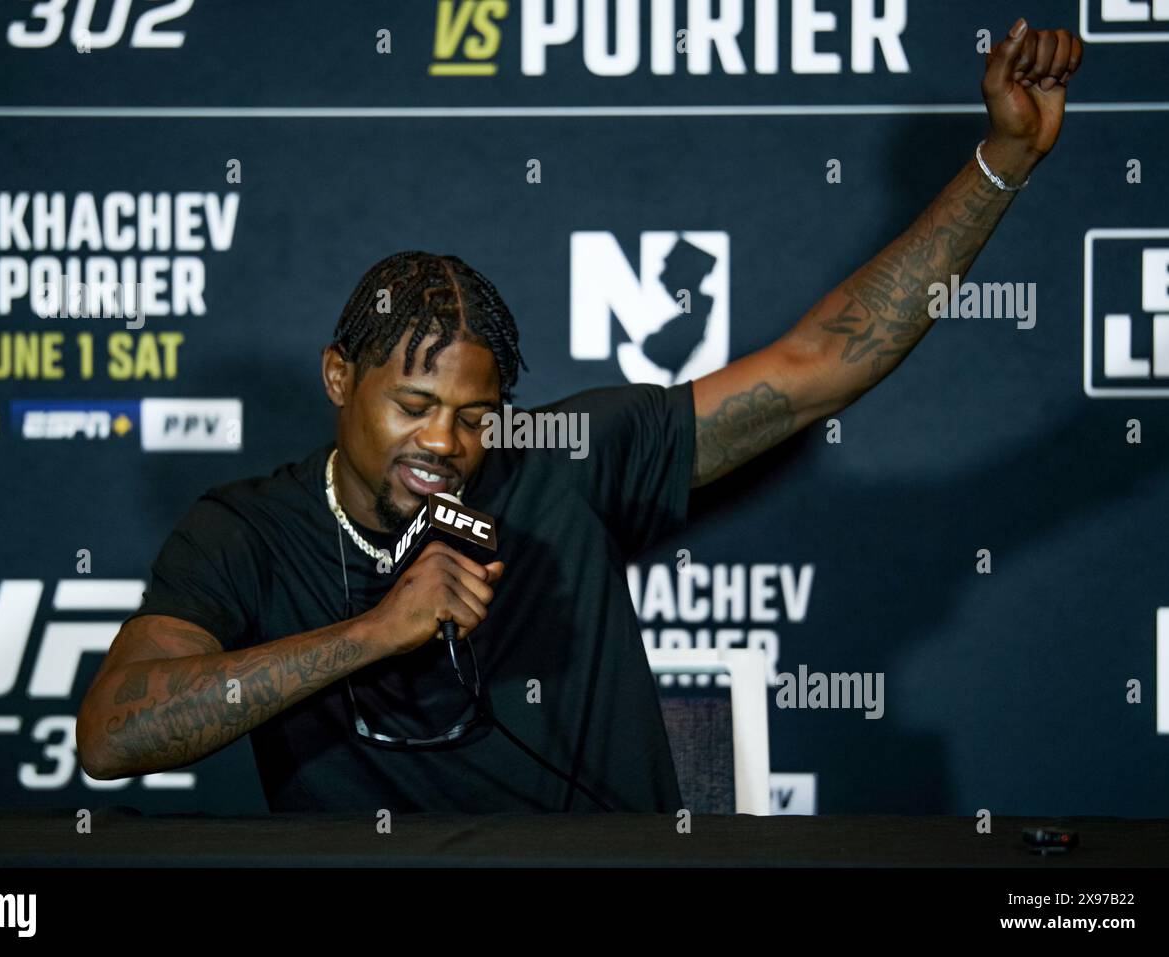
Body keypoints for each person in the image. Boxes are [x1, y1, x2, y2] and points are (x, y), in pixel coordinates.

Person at [77, 19, 1082, 812]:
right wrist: (375, 633)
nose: (444, 443)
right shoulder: (246, 533)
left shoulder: (564, 462)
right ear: (340, 378)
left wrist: (998, 163)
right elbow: (113, 733)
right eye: (414, 404)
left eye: (473, 414)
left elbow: (821, 366)